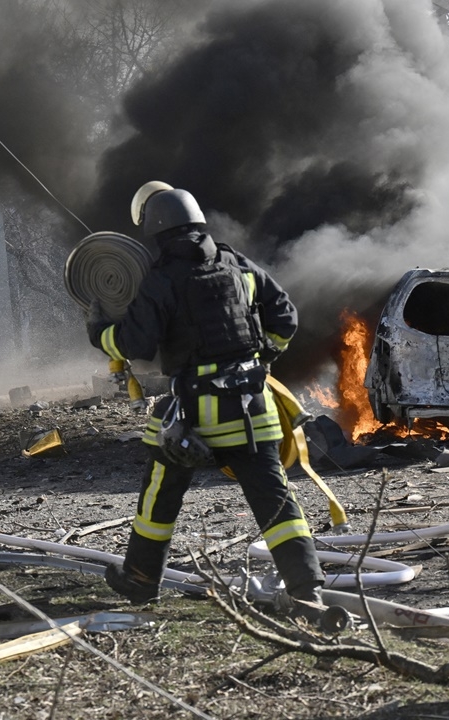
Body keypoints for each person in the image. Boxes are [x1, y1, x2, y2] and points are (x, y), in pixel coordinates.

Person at [88, 182, 325, 610]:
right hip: (255, 413)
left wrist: (99, 330)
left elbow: (133, 344)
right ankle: (307, 588)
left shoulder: (162, 280)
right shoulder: (240, 266)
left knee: (161, 489)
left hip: (195, 418)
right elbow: (285, 318)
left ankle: (141, 579)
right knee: (275, 498)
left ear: (157, 231)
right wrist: (266, 353)